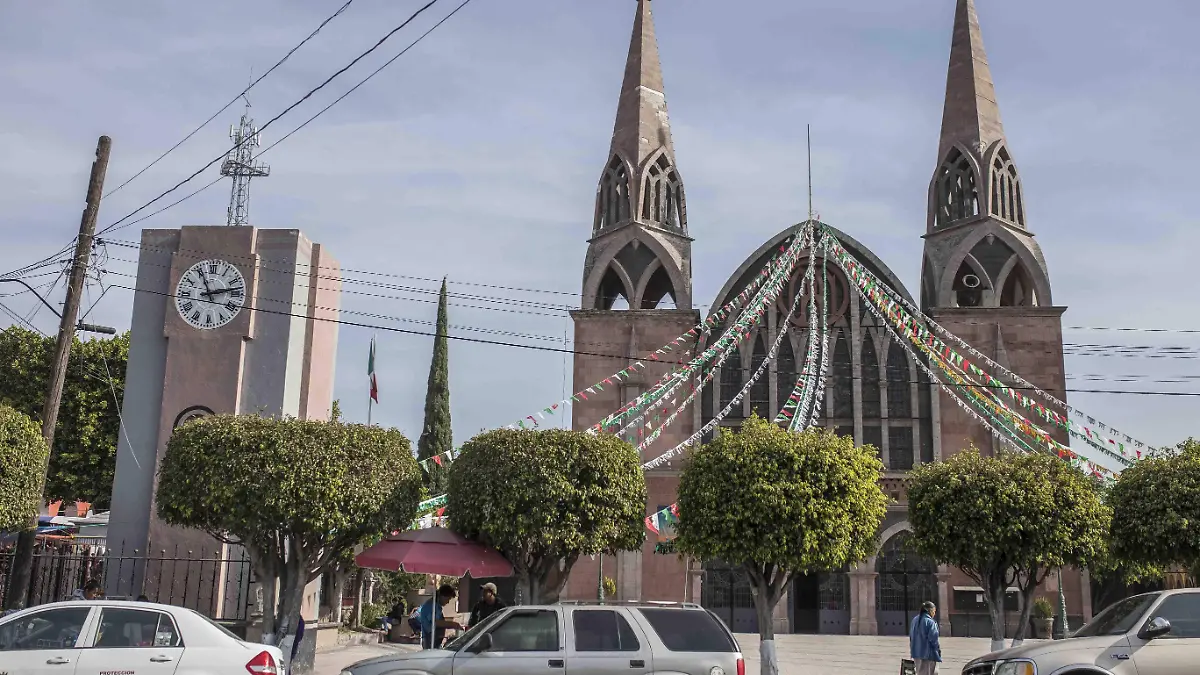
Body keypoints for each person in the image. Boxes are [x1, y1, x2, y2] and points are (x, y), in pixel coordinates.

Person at [417, 584, 462, 649]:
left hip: (435, 639)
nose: (448, 602)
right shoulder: (431, 606)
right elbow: (436, 622)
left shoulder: (437, 606)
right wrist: (453, 624)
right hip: (429, 640)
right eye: (448, 599)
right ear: (442, 596)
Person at [909, 600, 942, 675]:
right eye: (934, 611)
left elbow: (911, 637)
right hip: (928, 655)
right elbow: (933, 640)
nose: (934, 613)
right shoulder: (930, 622)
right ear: (930, 610)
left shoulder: (915, 620)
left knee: (920, 672)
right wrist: (938, 651)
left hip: (916, 653)